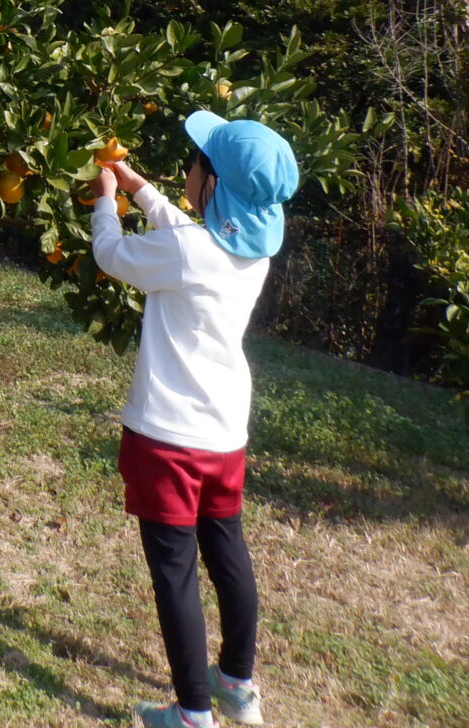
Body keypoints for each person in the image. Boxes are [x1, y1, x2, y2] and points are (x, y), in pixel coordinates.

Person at [90, 110, 298, 728]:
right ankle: (236, 684)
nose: (188, 166)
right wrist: (135, 185)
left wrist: (106, 203)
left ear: (213, 183)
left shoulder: (186, 250)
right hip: (223, 434)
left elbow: (113, 255)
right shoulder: (250, 251)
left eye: (196, 161)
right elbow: (191, 238)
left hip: (168, 438)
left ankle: (191, 715)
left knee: (175, 573)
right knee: (227, 554)